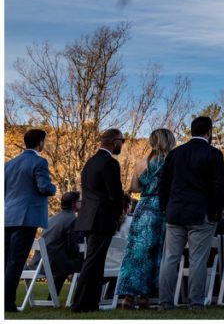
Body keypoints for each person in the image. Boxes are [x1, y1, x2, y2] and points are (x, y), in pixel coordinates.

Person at [157, 116, 224, 310]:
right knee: (197, 260)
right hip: (201, 213)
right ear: (209, 131)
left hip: (175, 212)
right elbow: (219, 187)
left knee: (170, 259)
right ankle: (195, 302)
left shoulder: (175, 154)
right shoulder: (213, 155)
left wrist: (165, 207)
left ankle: (165, 302)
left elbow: (163, 184)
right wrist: (215, 212)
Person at [117, 129, 175, 309]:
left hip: (143, 207)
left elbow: (133, 187)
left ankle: (128, 296)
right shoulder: (170, 162)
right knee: (156, 252)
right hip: (162, 207)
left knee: (136, 252)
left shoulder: (143, 162)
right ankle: (145, 296)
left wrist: (147, 185)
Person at [70, 128, 124, 312]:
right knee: (94, 261)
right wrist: (119, 213)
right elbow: (115, 194)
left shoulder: (91, 162)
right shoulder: (109, 163)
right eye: (121, 141)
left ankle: (89, 302)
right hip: (102, 218)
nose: (122, 144)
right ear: (113, 141)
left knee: (94, 260)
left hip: (88, 217)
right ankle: (81, 303)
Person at [5, 129, 58, 312]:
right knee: (16, 261)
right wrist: (54, 188)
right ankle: (7, 303)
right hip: (26, 218)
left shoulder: (9, 164)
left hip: (7, 216)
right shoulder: (39, 162)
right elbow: (44, 187)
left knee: (5, 260)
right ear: (40, 143)